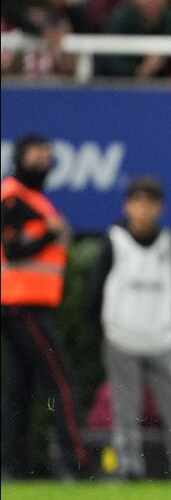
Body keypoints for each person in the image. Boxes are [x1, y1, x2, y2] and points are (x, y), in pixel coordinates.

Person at [87, 175, 171, 480]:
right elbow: (96, 291)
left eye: (150, 202)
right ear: (127, 205)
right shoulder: (114, 240)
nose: (143, 209)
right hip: (121, 338)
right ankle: (129, 468)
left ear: (159, 207)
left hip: (163, 339)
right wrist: (107, 331)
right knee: (125, 410)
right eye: (137, 202)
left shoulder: (167, 241)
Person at [0, 134, 86, 479]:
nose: (43, 162)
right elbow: (13, 250)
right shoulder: (13, 197)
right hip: (23, 303)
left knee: (20, 389)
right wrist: (53, 233)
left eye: (47, 157)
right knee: (61, 382)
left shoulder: (32, 198)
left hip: (25, 303)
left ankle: (12, 467)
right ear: (19, 158)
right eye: (36, 156)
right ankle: (77, 465)